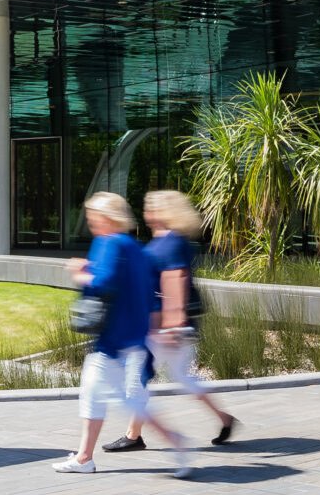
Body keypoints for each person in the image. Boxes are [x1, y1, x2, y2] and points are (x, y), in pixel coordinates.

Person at [55, 192, 193, 477]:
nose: (90, 220)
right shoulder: (134, 247)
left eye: (93, 215)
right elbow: (141, 289)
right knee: (98, 391)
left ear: (106, 217)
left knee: (117, 398)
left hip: (114, 337)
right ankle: (84, 458)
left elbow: (103, 283)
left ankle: (176, 442)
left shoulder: (108, 242)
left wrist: (80, 272)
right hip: (132, 334)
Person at [103, 190, 237, 453]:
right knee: (180, 377)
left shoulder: (172, 242)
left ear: (161, 212)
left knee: (137, 380)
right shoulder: (162, 241)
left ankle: (140, 436)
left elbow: (176, 279)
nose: (146, 212)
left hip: (164, 327)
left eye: (150, 207)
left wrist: (173, 324)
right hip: (158, 325)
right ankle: (224, 419)